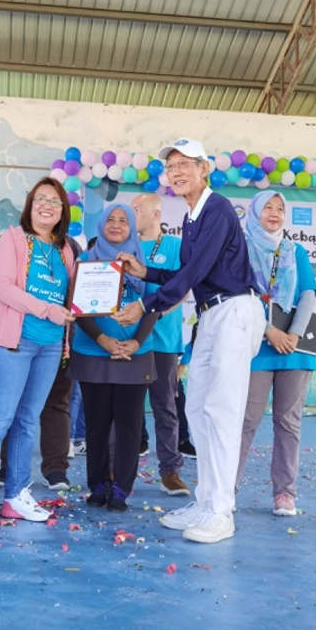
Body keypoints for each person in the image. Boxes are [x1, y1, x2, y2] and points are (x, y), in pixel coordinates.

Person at [116, 138, 264, 543]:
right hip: (210, 314)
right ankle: (205, 502)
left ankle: (221, 512)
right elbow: (186, 273)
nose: (176, 172)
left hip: (234, 311)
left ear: (204, 169)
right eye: (171, 166)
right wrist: (145, 272)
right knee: (197, 408)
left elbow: (193, 273)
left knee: (222, 411)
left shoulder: (217, 208)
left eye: (185, 164)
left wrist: (145, 305)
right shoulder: (192, 217)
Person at [0, 178, 75, 526]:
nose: (47, 205)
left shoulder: (65, 250)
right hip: (11, 342)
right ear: (30, 205)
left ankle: (15, 495)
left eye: (54, 201)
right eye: (40, 198)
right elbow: (3, 288)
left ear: (63, 210)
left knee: (27, 421)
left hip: (49, 345)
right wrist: (48, 310)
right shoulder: (11, 240)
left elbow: (70, 298)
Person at [70, 203, 158, 513]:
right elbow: (78, 307)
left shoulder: (143, 264)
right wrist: (103, 340)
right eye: (111, 219)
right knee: (96, 424)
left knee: (129, 427)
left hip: (136, 355)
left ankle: (121, 488)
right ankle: (98, 486)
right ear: (101, 225)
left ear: (132, 227)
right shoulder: (86, 260)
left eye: (123, 220)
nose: (117, 225)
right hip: (93, 352)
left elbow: (154, 306)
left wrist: (135, 341)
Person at [235, 190, 316, 517]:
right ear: (255, 212)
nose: (274, 213)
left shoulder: (296, 251)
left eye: (280, 208)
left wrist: (293, 334)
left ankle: (285, 493)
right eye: (267, 207)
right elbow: (241, 293)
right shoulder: (241, 249)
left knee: (288, 422)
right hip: (257, 345)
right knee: (246, 420)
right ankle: (226, 489)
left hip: (295, 350)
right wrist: (269, 330)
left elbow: (308, 293)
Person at [131, 192, 191, 496]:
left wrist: (160, 310)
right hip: (128, 340)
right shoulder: (124, 246)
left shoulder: (175, 246)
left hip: (163, 340)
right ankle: (120, 469)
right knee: (127, 408)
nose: (131, 214)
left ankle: (170, 471)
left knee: (165, 406)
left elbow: (184, 286)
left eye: (137, 209)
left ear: (156, 214)